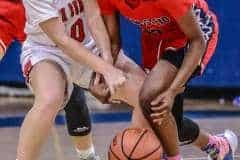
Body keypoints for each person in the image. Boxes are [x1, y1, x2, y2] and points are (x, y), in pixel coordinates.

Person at [90, 0, 238, 159]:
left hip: (194, 33)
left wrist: (173, 90)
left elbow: (197, 40)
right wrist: (103, 74)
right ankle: (219, 145)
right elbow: (114, 42)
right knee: (166, 121)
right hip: (157, 37)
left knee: (151, 98)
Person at [17, 0, 126, 159]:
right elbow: (62, 40)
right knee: (51, 98)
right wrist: (105, 69)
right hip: (48, 51)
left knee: (142, 93)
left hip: (88, 46)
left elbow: (94, 17)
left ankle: (165, 153)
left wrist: (107, 59)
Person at [0, 1, 104, 159]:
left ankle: (87, 155)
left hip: (75, 39)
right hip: (44, 48)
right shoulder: (12, 8)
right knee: (56, 95)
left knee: (73, 94)